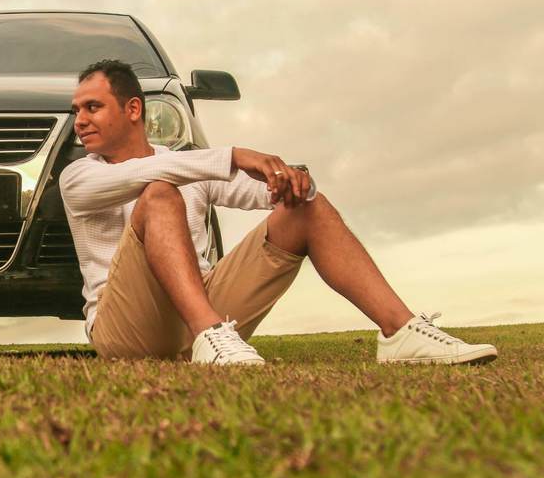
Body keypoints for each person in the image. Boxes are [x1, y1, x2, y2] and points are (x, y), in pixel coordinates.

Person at [61, 59, 497, 365]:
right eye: (77, 109)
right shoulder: (78, 177)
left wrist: (290, 181)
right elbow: (157, 172)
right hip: (129, 332)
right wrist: (234, 154)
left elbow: (260, 193)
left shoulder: (187, 163)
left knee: (306, 207)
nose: (79, 120)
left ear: (133, 109)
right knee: (159, 193)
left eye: (92, 107)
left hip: (205, 311)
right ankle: (210, 336)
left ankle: (400, 333)